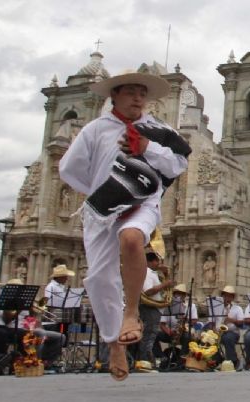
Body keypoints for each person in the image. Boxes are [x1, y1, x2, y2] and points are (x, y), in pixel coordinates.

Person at [59, 70, 191, 381]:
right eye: (130, 92)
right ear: (114, 96)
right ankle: (113, 342)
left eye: (142, 93)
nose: (137, 98)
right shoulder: (95, 130)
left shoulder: (158, 130)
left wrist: (146, 147)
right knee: (100, 277)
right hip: (102, 209)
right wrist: (100, 189)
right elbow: (68, 169)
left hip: (143, 202)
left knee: (132, 239)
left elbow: (178, 164)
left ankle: (131, 314)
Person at [138, 252, 175, 363]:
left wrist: (164, 275)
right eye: (157, 261)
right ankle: (144, 360)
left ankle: (146, 359)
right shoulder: (147, 273)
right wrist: (165, 284)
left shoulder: (152, 273)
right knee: (149, 335)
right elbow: (148, 291)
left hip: (154, 309)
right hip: (150, 308)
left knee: (151, 334)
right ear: (150, 261)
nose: (159, 263)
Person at [154, 284, 198, 362]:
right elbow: (162, 324)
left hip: (183, 332)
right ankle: (162, 356)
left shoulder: (191, 306)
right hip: (171, 332)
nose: (178, 296)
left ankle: (182, 359)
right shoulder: (168, 306)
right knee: (154, 335)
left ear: (184, 295)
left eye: (181, 294)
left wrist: (185, 320)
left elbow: (194, 320)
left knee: (187, 337)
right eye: (177, 293)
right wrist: (169, 331)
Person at [216, 285, 245, 367]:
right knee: (209, 338)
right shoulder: (217, 307)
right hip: (219, 332)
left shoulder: (237, 308)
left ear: (232, 297)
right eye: (225, 295)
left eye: (229, 296)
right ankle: (217, 360)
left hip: (233, 332)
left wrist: (231, 320)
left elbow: (241, 323)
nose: (227, 298)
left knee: (228, 338)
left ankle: (233, 361)